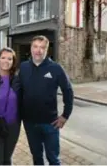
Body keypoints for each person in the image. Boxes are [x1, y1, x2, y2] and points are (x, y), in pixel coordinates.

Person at [18, 35, 74, 165]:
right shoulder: (24, 67)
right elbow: (19, 92)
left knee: (53, 158)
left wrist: (65, 115)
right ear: (31, 48)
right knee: (37, 157)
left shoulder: (56, 68)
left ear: (47, 50)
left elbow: (68, 91)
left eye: (42, 47)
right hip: (30, 123)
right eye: (35, 47)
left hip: (50, 123)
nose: (39, 50)